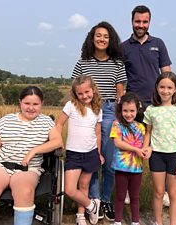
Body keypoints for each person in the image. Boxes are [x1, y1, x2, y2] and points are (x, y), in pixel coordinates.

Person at [0, 86, 63, 225]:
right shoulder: (6, 120)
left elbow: (58, 141)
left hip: (27, 168)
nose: (31, 108)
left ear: (41, 104)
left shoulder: (46, 122)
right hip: (1, 165)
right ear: (20, 103)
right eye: (27, 103)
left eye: (35, 104)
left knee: (25, 191)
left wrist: (34, 150)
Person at [72, 21, 127, 221]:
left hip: (111, 110)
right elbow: (75, 91)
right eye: (98, 35)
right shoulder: (82, 63)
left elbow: (121, 93)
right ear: (92, 38)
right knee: (92, 158)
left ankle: (105, 199)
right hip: (88, 110)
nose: (102, 39)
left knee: (110, 160)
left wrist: (119, 117)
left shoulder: (117, 63)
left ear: (111, 39)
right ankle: (93, 200)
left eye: (106, 36)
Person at [122, 5, 172, 207]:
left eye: (144, 21)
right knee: (132, 147)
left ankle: (164, 192)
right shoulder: (123, 47)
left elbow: (167, 74)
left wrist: (169, 100)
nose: (140, 25)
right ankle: (126, 190)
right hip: (133, 106)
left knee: (159, 148)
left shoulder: (158, 44)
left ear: (149, 22)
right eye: (137, 21)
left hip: (157, 104)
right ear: (132, 21)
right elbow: (119, 76)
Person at [143, 72, 176, 225]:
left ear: (175, 89)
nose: (165, 91)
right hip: (157, 155)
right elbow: (148, 132)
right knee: (158, 192)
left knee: (173, 193)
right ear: (157, 88)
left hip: (175, 156)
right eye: (162, 87)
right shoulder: (151, 110)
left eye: (169, 87)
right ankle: (158, 221)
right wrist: (146, 148)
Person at [56, 75, 103, 225]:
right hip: (73, 153)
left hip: (91, 153)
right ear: (75, 94)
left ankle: (80, 215)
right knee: (70, 189)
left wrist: (99, 152)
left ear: (93, 90)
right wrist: (58, 142)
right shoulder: (71, 105)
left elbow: (97, 133)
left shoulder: (97, 109)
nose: (84, 96)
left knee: (84, 186)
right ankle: (92, 205)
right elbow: (59, 124)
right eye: (80, 94)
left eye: (87, 92)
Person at [110, 92, 151, 225]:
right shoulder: (117, 124)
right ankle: (117, 221)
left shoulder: (141, 126)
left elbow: (147, 144)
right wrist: (136, 150)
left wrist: (147, 150)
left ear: (137, 110)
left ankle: (135, 221)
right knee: (120, 195)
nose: (128, 114)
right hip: (121, 167)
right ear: (120, 110)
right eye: (125, 111)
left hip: (136, 168)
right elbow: (117, 143)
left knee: (134, 196)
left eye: (132, 111)